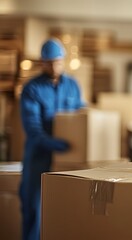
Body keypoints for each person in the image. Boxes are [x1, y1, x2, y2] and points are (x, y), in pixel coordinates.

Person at [19, 38, 84, 240]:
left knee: (65, 209)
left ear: (63, 61)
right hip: (39, 157)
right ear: (42, 63)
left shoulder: (72, 86)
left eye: (57, 61)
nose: (54, 66)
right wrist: (54, 144)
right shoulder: (32, 89)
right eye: (49, 62)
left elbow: (80, 116)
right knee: (34, 209)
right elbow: (33, 129)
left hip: (68, 159)